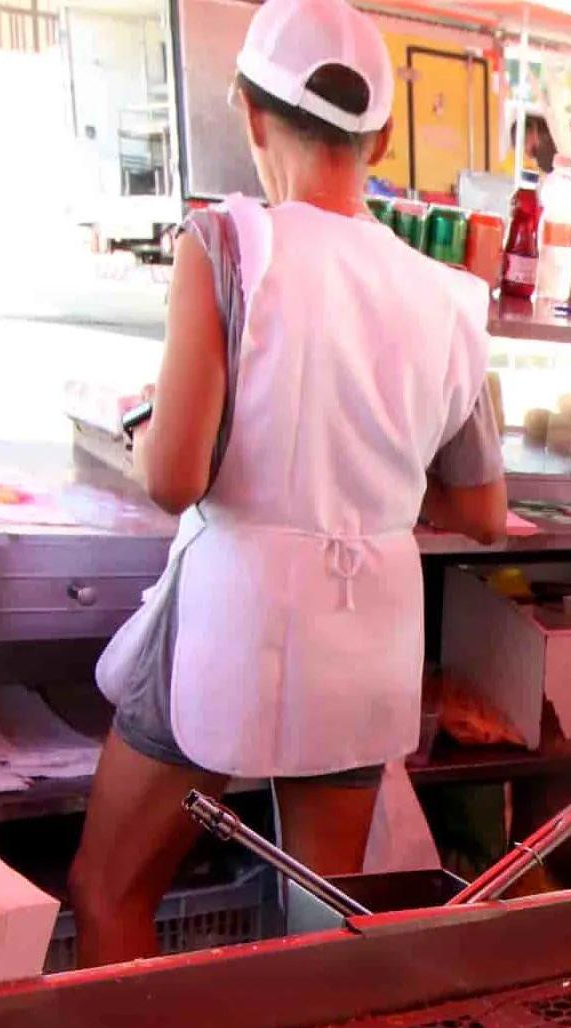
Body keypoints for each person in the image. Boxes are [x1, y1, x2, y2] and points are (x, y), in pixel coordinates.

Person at [68, 0, 504, 965]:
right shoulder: (449, 297)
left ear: (248, 111)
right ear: (383, 138)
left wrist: (145, 420)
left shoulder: (223, 244)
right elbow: (483, 512)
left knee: (110, 890)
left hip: (234, 617)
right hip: (367, 632)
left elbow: (174, 478)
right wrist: (371, 478)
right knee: (324, 935)